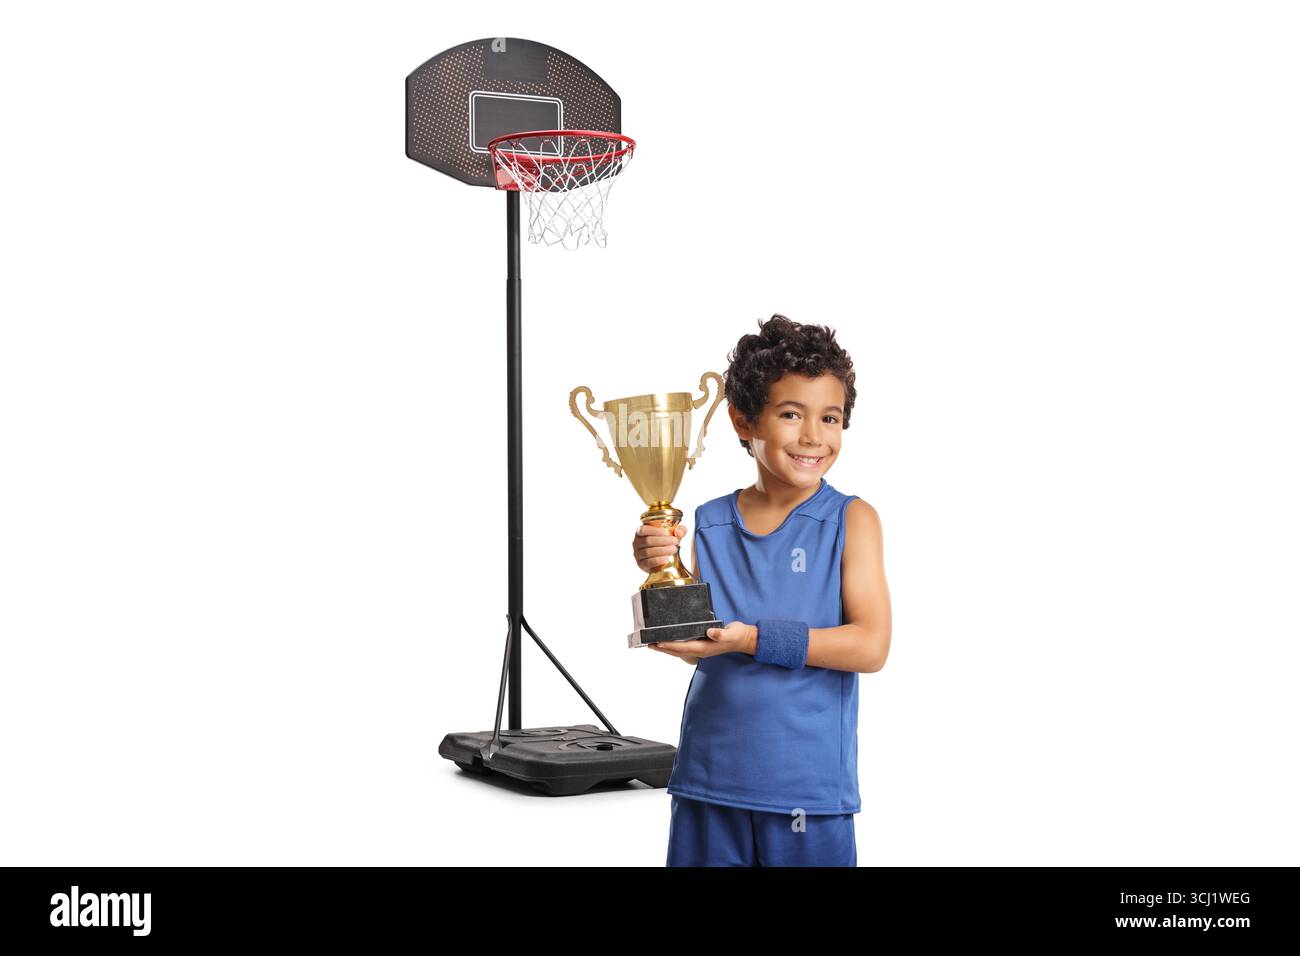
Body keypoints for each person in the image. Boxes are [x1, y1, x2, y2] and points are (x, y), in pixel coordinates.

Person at [632, 314, 892, 867]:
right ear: (743, 420)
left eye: (831, 417)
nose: (813, 437)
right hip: (707, 784)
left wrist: (750, 639)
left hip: (806, 793)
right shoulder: (708, 520)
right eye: (791, 414)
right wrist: (656, 562)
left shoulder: (853, 520)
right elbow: (708, 638)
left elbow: (869, 646)